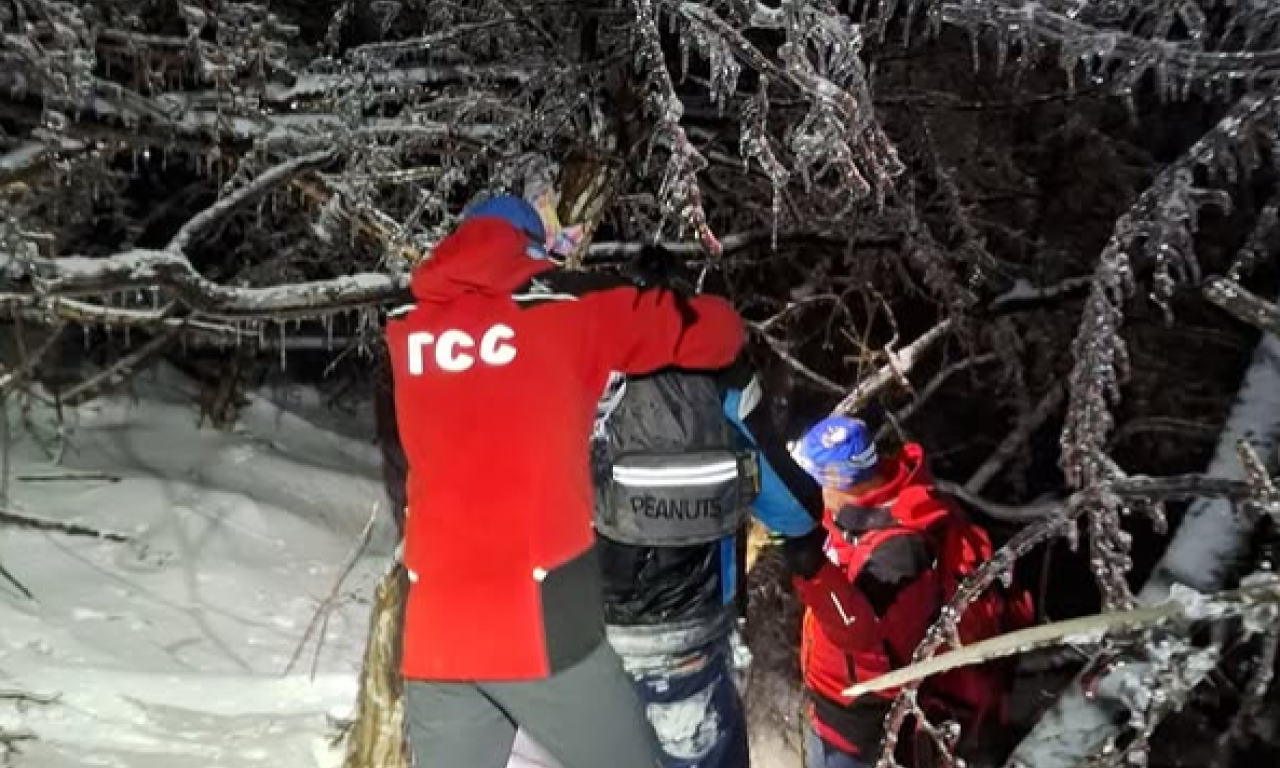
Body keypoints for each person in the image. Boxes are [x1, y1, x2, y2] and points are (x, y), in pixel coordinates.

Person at [384, 193, 745, 768]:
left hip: (435, 628)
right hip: (542, 618)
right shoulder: (575, 306)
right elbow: (719, 332)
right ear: (533, 245)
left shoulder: (405, 322)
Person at [784, 416, 1032, 768]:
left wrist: (813, 571)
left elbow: (859, 632)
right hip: (837, 702)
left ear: (838, 483)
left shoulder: (899, 551)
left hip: (861, 720)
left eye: (816, 481)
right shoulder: (865, 506)